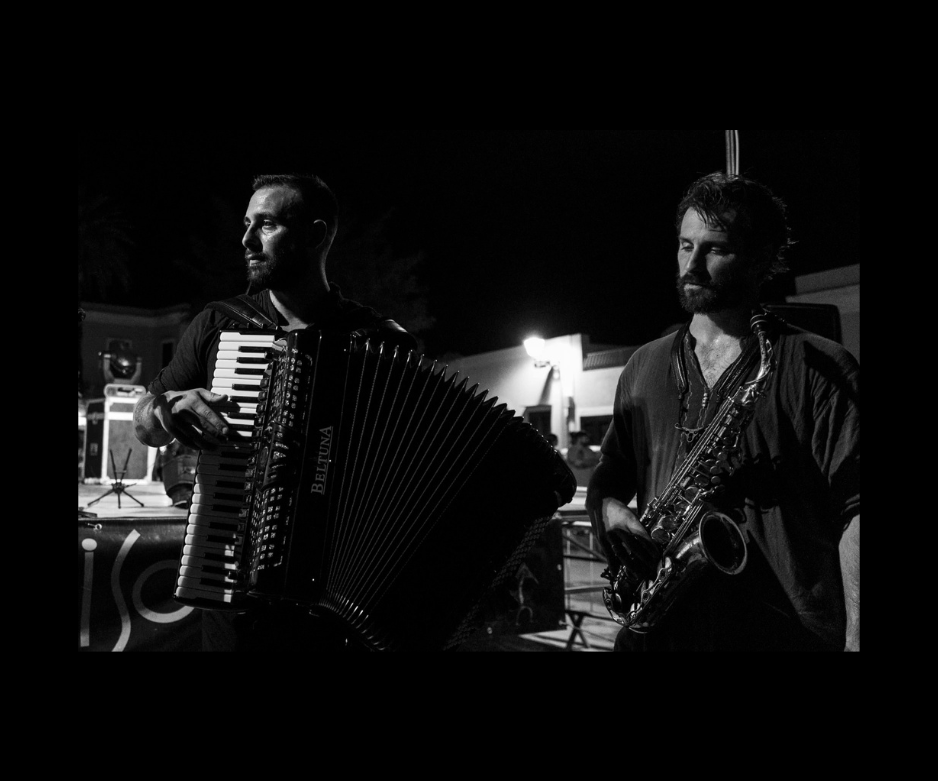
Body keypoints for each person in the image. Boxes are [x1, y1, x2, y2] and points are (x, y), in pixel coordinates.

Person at [133, 173, 417, 652]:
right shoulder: (220, 324)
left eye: (266, 225)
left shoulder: (380, 342)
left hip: (341, 613)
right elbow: (145, 425)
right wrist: (166, 406)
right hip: (233, 594)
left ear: (316, 235)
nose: (247, 240)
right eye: (246, 224)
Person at [586, 172, 859, 652]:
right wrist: (611, 512)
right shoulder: (642, 365)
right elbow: (610, 478)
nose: (691, 265)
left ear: (761, 259)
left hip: (784, 637)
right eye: (684, 245)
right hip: (662, 633)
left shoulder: (821, 366)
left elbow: (856, 510)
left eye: (715, 249)